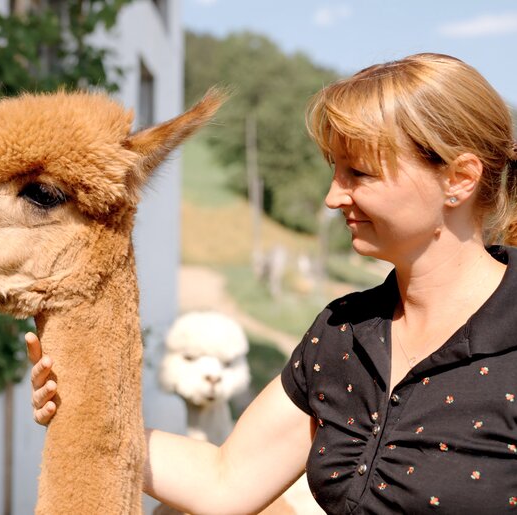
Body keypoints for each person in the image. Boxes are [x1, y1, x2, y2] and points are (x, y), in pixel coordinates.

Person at [26, 53, 517, 513]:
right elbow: (225, 480)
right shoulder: (342, 334)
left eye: (359, 174)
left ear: (459, 179)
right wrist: (83, 415)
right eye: (334, 172)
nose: (332, 197)